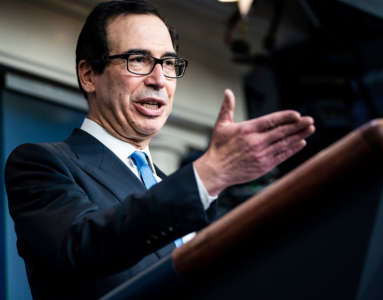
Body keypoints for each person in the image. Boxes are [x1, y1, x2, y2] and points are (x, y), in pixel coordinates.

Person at [5, 0, 315, 299]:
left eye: (168, 63)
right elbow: (84, 246)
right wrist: (208, 175)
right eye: (138, 60)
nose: (159, 80)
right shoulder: (42, 164)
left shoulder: (179, 190)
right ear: (89, 75)